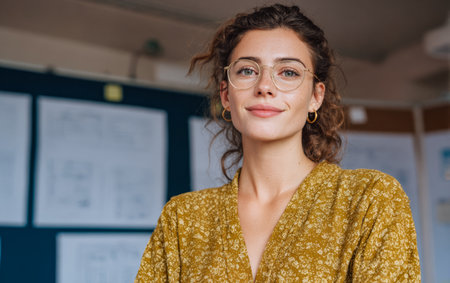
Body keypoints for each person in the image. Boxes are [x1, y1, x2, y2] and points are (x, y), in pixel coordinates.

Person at [135, 4, 421, 282]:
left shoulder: (369, 200)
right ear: (226, 95)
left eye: (288, 72)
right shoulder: (182, 219)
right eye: (247, 70)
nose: (264, 86)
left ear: (315, 97)